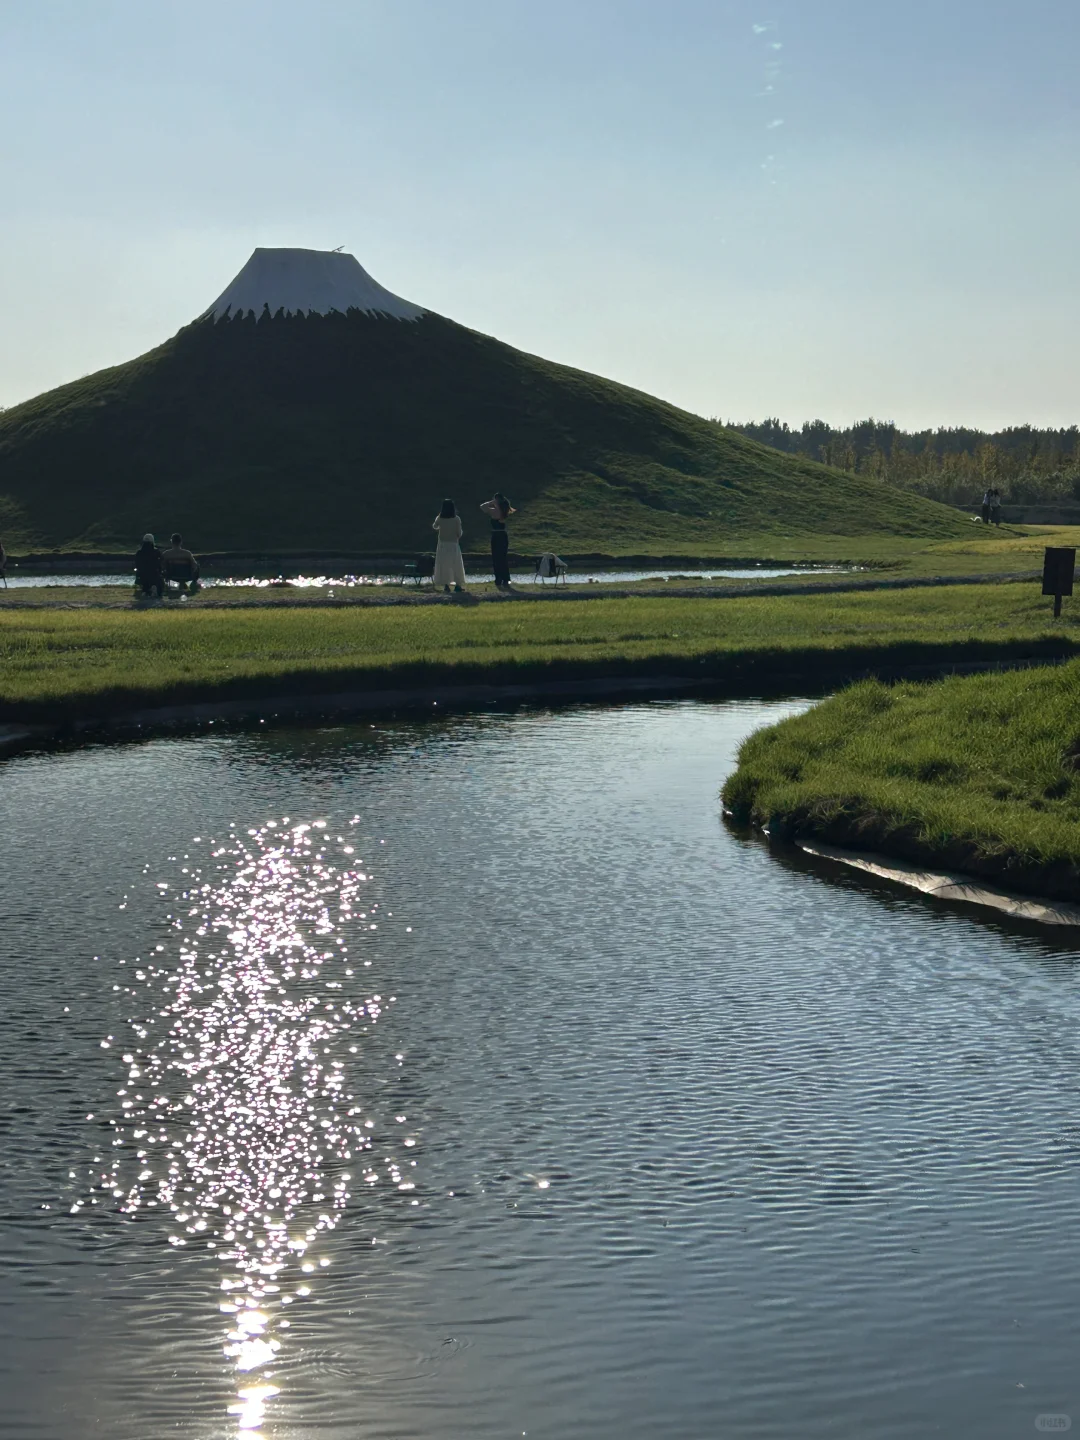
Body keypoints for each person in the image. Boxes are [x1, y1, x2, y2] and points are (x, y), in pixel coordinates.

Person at [480, 491, 516, 590]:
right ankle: (505, 578)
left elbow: (482, 507)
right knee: (503, 558)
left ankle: (498, 578)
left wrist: (491, 502)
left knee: (496, 558)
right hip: (503, 536)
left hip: (496, 536)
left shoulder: (495, 511)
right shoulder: (505, 510)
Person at [432, 499, 467, 592]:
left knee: (444, 565)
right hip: (453, 544)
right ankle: (457, 585)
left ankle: (446, 585)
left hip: (442, 544)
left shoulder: (440, 518)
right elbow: (459, 533)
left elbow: (434, 526)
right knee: (455, 565)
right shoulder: (456, 519)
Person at [133, 533, 164, 598]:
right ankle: (153, 588)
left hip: (142, 576)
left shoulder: (139, 552)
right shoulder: (156, 552)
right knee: (159, 580)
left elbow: (137, 565)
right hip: (154, 575)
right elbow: (160, 564)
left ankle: (145, 591)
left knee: (145, 578)